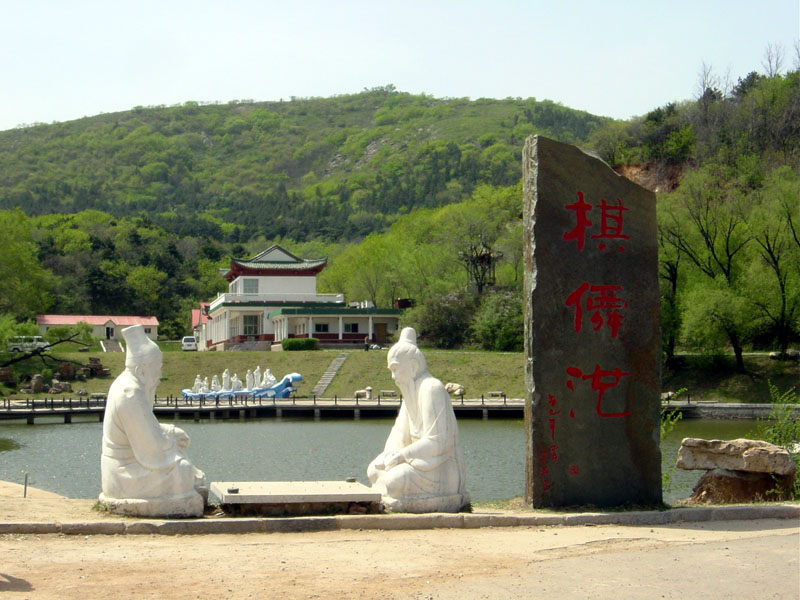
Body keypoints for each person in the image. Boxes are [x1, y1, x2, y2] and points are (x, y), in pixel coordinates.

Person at [100, 325, 206, 517]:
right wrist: (172, 443)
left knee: (180, 458)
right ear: (142, 370)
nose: (159, 375)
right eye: (156, 368)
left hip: (123, 469)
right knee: (182, 471)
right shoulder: (129, 392)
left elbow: (144, 427)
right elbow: (152, 447)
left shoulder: (129, 385)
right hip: (125, 472)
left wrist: (171, 432)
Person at [367, 327, 468, 512]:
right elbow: (398, 434)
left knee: (393, 480)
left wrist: (402, 456)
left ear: (413, 366)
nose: (393, 377)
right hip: (417, 460)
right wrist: (391, 453)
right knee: (373, 469)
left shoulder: (431, 388)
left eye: (396, 369)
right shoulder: (410, 393)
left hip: (440, 466)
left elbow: (437, 441)